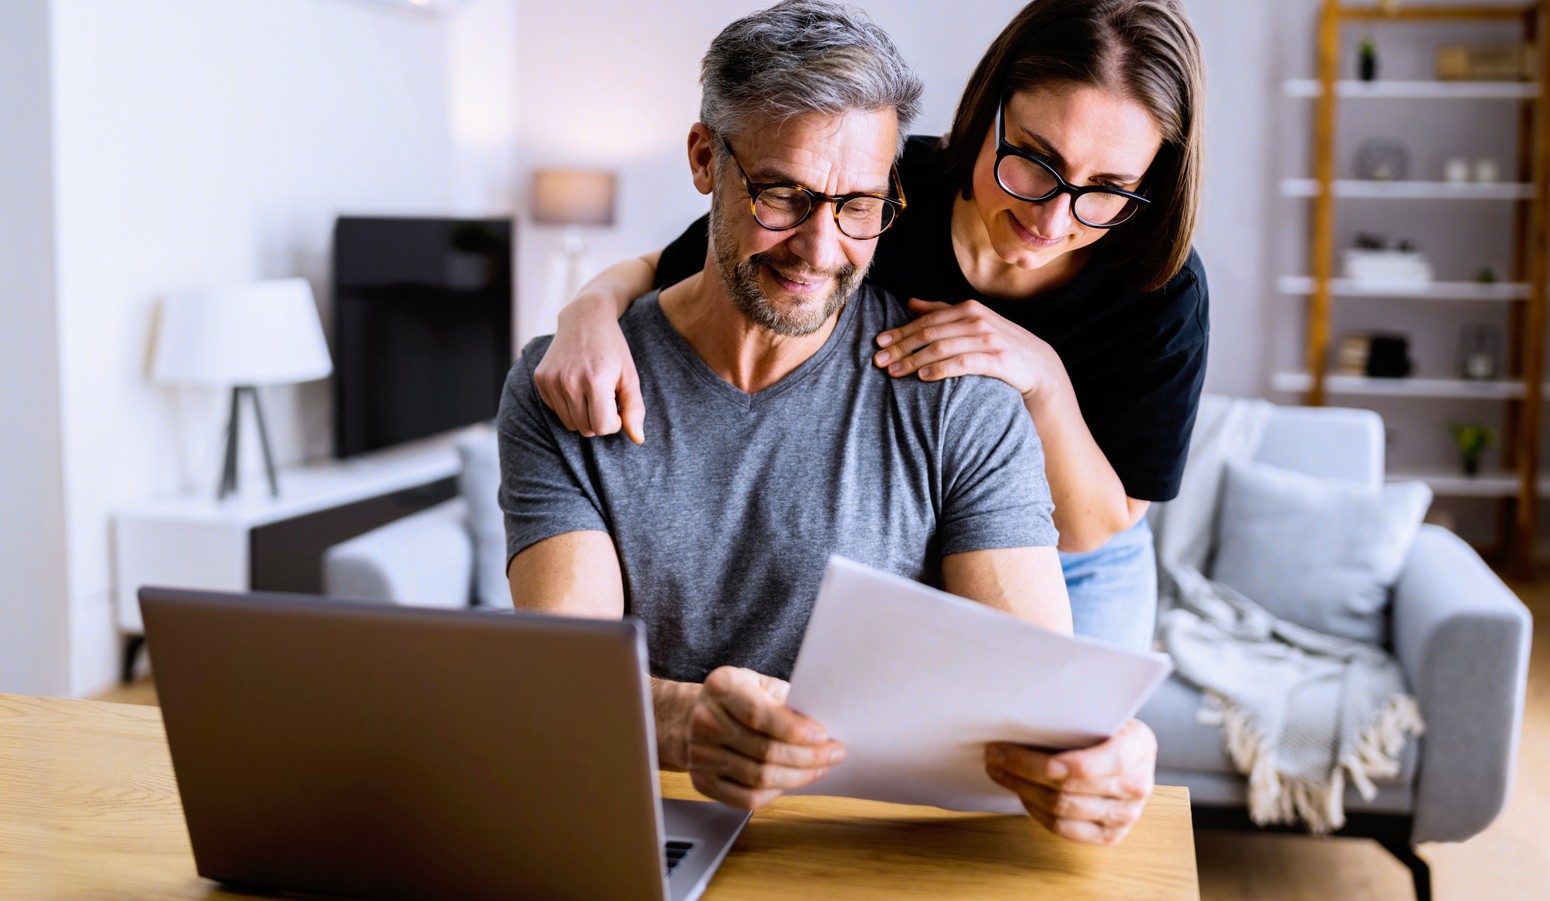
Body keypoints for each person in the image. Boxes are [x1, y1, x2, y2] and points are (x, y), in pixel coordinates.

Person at [501, 0, 1157, 847]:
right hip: (645, 830)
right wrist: (684, 722)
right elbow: (563, 679)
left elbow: (1038, 698)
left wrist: (1114, 750)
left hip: (866, 851)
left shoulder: (962, 395)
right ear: (705, 160)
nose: (819, 248)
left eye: (859, 205)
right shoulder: (572, 385)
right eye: (784, 194)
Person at [533, 0, 1209, 654]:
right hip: (937, 517)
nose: (1054, 220)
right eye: (1036, 159)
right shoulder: (874, 184)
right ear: (989, 110)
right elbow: (678, 263)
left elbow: (1098, 523)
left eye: (1107, 189)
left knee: (1069, 743)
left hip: (1079, 554)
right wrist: (586, 312)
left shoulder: (1159, 285)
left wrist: (1043, 379)